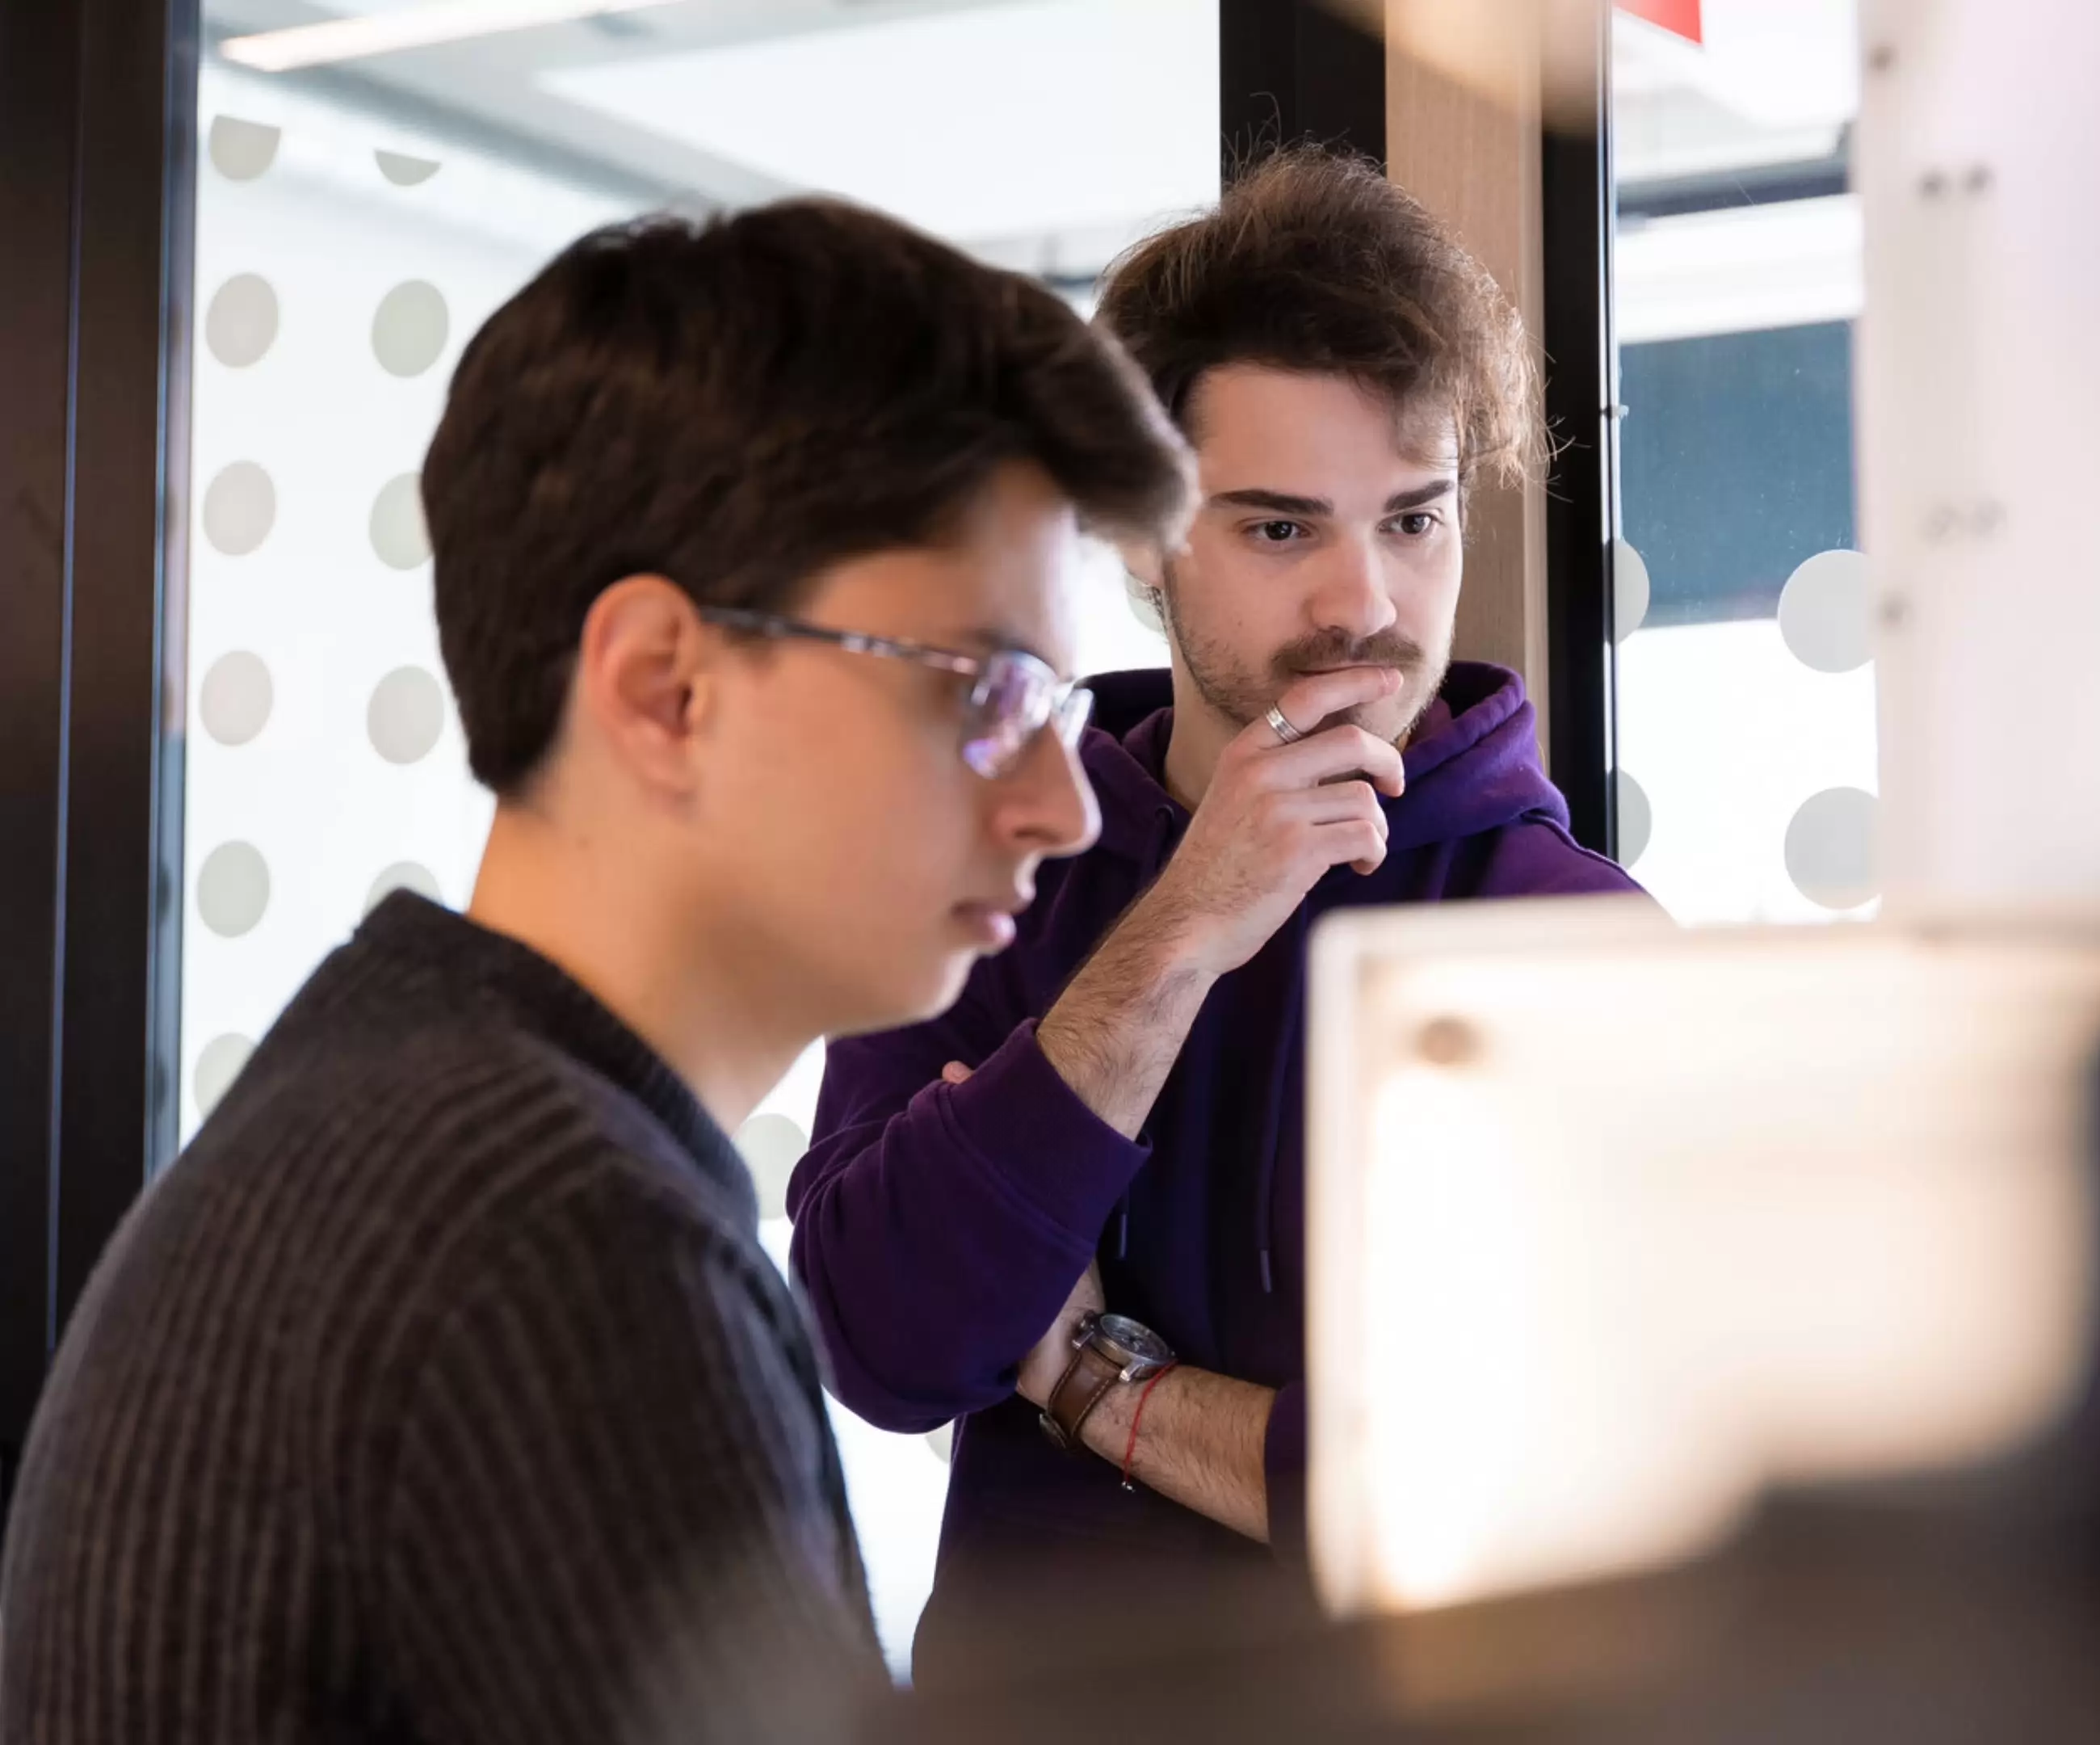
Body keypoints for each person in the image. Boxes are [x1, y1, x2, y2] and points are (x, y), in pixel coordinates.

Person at [0, 202, 1191, 1743]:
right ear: (664, 686)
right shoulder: (568, 1253)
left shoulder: (398, 1115)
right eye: (987, 691)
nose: (1067, 806)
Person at [788, 147, 1648, 1684]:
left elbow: (1519, 1511)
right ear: (1140, 537)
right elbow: (884, 1343)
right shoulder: (993, 862)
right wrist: (1180, 932)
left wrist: (1095, 1385)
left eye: (1414, 521)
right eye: (1278, 530)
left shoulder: (1569, 939)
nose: (1362, 604)